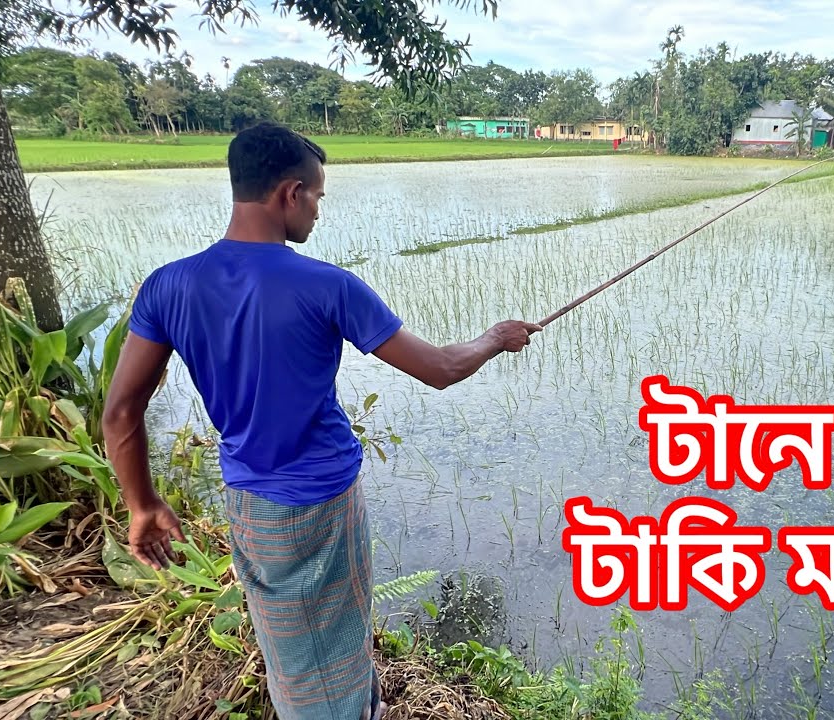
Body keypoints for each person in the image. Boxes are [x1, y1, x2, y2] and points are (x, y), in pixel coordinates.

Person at [101, 121, 541, 720]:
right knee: (334, 642)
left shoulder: (168, 285)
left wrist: (142, 503)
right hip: (323, 503)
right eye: (317, 197)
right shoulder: (327, 285)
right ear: (290, 193)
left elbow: (122, 410)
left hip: (249, 502)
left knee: (289, 643)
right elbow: (438, 368)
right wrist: (495, 337)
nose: (317, 212)